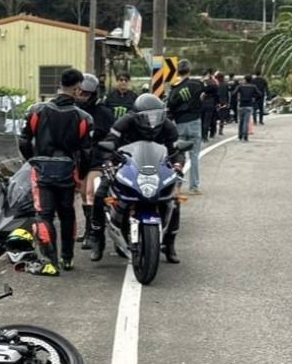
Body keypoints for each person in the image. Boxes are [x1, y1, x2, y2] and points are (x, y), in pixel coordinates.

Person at [90, 93, 185, 264]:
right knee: (100, 194)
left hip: (157, 168)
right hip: (126, 166)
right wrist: (108, 163)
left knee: (174, 200)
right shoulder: (124, 122)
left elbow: (176, 151)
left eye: (157, 116)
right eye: (148, 117)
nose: (153, 122)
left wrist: (178, 167)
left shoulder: (168, 126)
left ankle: (169, 244)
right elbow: (109, 144)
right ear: (136, 116)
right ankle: (97, 238)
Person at [18, 68, 94, 275]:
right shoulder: (83, 117)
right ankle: (67, 258)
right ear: (78, 89)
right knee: (67, 213)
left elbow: (24, 140)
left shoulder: (37, 111)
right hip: (68, 173)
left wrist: (32, 161)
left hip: (42, 172)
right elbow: (86, 152)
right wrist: (82, 176)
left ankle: (50, 261)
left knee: (44, 215)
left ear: (59, 85)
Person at [76, 72, 114, 252]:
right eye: (80, 92)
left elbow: (112, 136)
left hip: (98, 157)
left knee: (90, 190)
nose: (82, 96)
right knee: (83, 193)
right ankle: (89, 228)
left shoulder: (104, 112)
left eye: (86, 93)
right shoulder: (73, 111)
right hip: (79, 157)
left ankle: (93, 232)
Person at [166, 59, 206, 194]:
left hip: (180, 123)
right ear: (189, 70)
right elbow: (209, 90)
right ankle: (194, 186)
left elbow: (170, 106)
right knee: (194, 156)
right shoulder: (197, 84)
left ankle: (177, 186)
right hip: (195, 122)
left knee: (179, 156)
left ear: (178, 71)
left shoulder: (175, 89)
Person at [232, 73, 260, 141]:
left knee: (241, 121)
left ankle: (240, 135)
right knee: (246, 121)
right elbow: (259, 94)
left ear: (245, 79)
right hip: (249, 105)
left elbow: (233, 93)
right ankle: (245, 135)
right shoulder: (253, 87)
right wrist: (254, 98)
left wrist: (238, 98)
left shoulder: (240, 86)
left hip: (241, 105)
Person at [201, 69, 220, 141]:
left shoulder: (201, 83)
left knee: (202, 120)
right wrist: (218, 103)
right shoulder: (213, 83)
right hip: (211, 103)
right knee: (207, 120)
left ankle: (202, 135)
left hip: (202, 103)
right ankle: (205, 136)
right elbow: (217, 94)